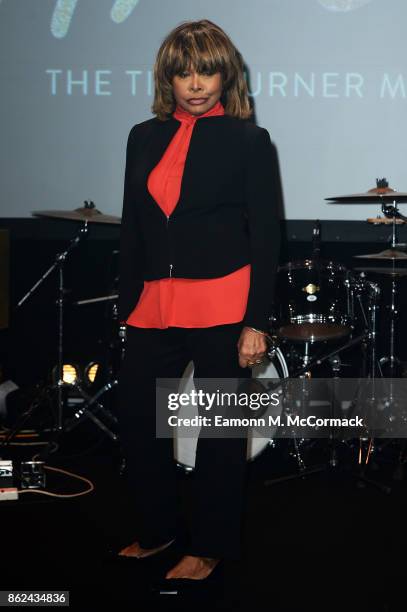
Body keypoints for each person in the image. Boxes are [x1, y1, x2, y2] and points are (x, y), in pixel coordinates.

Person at [116, 19, 281, 589]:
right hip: (151, 304)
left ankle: (210, 546)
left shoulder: (248, 141)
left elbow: (266, 236)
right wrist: (125, 302)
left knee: (218, 432)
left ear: (224, 74)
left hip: (223, 303)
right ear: (168, 77)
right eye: (183, 72)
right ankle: (158, 528)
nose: (195, 83)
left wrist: (256, 321)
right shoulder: (143, 135)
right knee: (140, 421)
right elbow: (133, 225)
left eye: (206, 70)